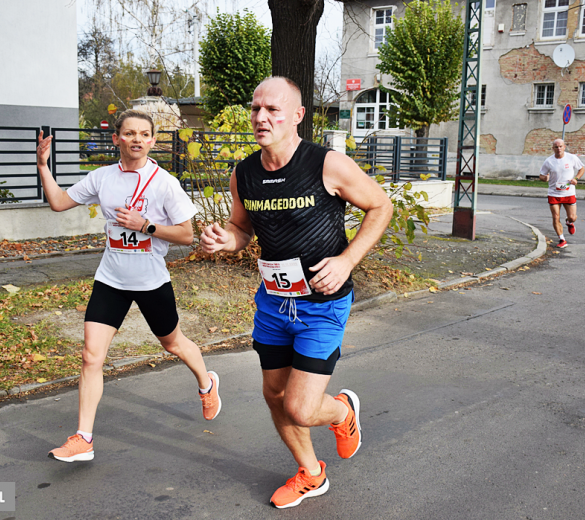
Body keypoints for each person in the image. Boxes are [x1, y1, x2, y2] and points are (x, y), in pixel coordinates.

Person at [200, 77, 393, 508]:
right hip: (272, 302)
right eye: (255, 109)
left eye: (272, 109)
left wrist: (347, 261)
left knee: (301, 408)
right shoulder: (244, 173)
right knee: (274, 395)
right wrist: (223, 240)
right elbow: (242, 230)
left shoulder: (327, 165)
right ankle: (311, 472)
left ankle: (342, 411)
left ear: (298, 116)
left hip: (322, 305)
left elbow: (381, 205)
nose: (260, 118)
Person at [37, 110, 221, 463]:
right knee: (91, 356)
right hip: (112, 279)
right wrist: (44, 166)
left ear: (152, 141)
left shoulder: (164, 182)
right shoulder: (103, 178)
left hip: (151, 281)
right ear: (116, 138)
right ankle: (83, 438)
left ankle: (206, 383)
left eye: (144, 134)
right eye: (129, 133)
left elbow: (186, 235)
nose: (137, 139)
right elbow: (59, 203)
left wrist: (146, 225)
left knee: (174, 344)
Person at [539, 138, 585, 248]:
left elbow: (582, 168)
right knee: (555, 217)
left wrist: (576, 179)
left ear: (564, 147)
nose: (558, 149)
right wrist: (544, 178)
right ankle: (562, 239)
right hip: (554, 193)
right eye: (556, 147)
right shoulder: (549, 161)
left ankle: (569, 222)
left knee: (572, 217)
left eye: (560, 146)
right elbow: (541, 175)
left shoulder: (572, 158)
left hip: (568, 193)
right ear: (553, 148)